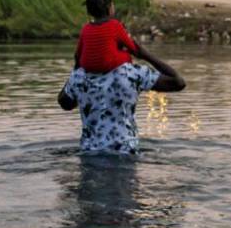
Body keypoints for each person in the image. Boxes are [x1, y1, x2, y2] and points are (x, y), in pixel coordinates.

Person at [58, 42, 186, 154]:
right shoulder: (133, 73)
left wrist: (77, 66)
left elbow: (65, 103)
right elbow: (178, 83)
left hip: (89, 152)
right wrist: (144, 54)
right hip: (125, 151)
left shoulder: (80, 76)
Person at [73, 0, 138, 73]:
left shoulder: (86, 28)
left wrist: (76, 70)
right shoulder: (115, 25)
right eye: (112, 4)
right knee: (126, 55)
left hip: (87, 67)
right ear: (109, 8)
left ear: (89, 12)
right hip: (107, 65)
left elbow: (77, 55)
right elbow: (132, 48)